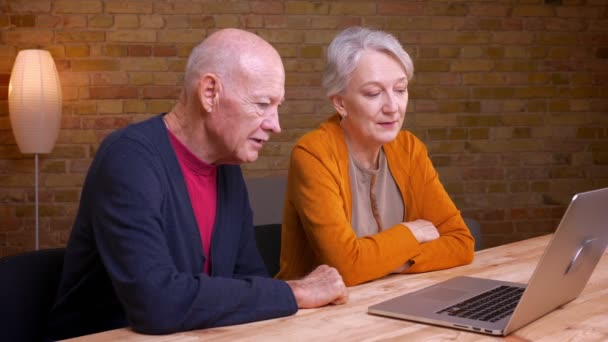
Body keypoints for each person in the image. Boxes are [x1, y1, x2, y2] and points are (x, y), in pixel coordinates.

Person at [46, 28, 348, 340]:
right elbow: (157, 305)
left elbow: (250, 281)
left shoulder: (227, 168)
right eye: (262, 104)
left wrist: (277, 296)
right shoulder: (128, 160)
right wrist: (293, 292)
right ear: (209, 93)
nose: (276, 125)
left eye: (277, 106)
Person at [276, 27, 475, 286]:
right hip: (316, 316)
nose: (393, 107)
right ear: (340, 103)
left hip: (392, 299)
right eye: (373, 93)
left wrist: (386, 263)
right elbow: (346, 267)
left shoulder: (410, 149)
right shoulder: (314, 154)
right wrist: (409, 233)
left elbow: (461, 242)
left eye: (400, 89)